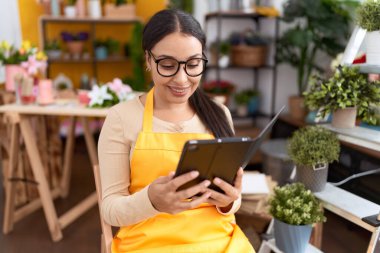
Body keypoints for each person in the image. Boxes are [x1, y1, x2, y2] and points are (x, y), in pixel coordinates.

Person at [98, 9, 255, 253]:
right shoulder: (121, 118)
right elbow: (110, 210)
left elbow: (232, 197)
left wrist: (230, 201)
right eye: (168, 65)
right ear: (148, 60)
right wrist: (151, 200)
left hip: (218, 243)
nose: (182, 79)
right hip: (148, 245)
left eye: (193, 64)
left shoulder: (219, 114)